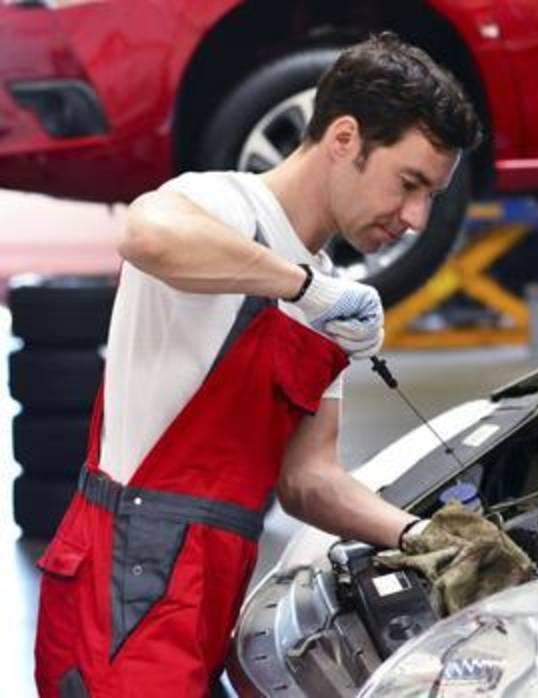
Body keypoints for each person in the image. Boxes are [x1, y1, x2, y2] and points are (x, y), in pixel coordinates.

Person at [33, 32, 481, 697]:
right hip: (126, 578)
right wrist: (301, 288)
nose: (416, 218)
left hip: (208, 589)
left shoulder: (330, 291)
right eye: (409, 183)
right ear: (345, 139)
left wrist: (427, 536)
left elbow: (309, 479)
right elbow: (144, 234)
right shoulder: (221, 206)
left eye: (432, 198)